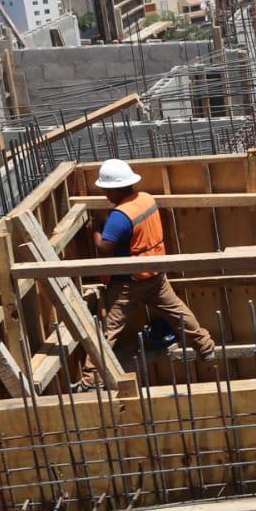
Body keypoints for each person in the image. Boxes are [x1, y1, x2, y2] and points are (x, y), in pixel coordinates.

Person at [80, 159, 218, 389]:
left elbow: (105, 248)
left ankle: (91, 379)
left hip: (130, 281)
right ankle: (205, 347)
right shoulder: (146, 199)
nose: (104, 193)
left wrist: (94, 231)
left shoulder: (119, 216)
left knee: (108, 331)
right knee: (178, 312)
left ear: (114, 189)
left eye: (105, 189)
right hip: (155, 272)